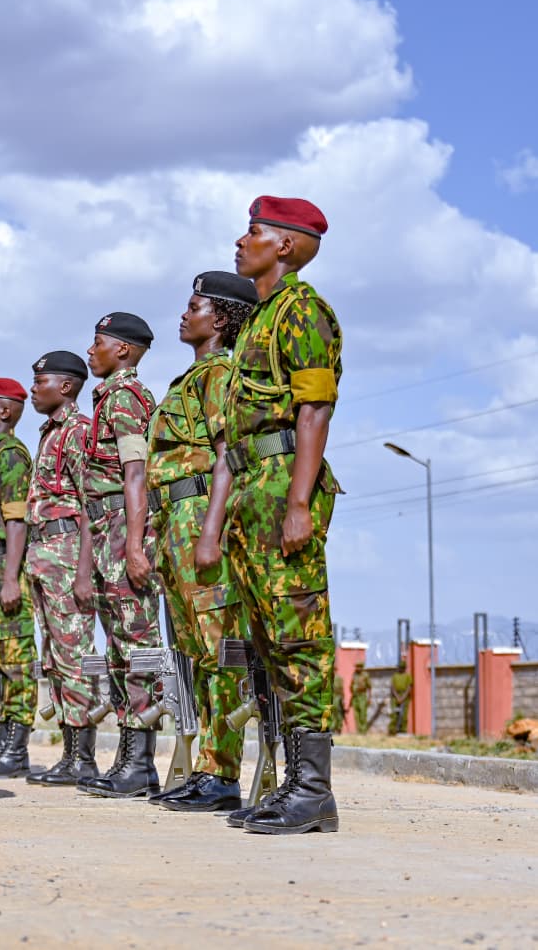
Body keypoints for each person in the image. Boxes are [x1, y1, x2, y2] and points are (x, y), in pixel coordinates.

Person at [218, 195, 343, 834]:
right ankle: (297, 783)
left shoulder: (302, 310)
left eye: (254, 232)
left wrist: (299, 502)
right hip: (250, 483)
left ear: (285, 246)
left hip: (281, 481)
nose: (241, 242)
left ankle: (315, 789)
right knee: (268, 642)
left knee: (299, 634)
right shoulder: (258, 320)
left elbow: (314, 409)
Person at [141, 271, 258, 813]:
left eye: (195, 307)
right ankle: (210, 768)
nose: (184, 315)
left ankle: (224, 774)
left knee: (219, 650)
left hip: (197, 515)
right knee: (195, 652)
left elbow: (226, 455)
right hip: (175, 518)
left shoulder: (221, 375)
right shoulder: (191, 377)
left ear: (222, 318)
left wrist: (211, 533)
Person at [75, 313, 163, 799]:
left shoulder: (126, 398)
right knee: (118, 650)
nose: (91, 351)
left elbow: (136, 474)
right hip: (107, 526)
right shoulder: (109, 397)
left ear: (123, 351)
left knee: (135, 645)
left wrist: (133, 545)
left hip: (121, 530)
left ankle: (139, 763)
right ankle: (128, 759)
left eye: (99, 342)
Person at [21, 352, 100, 788]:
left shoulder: (77, 432)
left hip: (67, 551)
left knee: (72, 652)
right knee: (53, 654)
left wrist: (85, 568)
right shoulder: (49, 433)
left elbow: (90, 505)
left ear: (65, 386)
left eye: (40, 381)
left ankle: (83, 757)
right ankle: (70, 753)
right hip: (44, 551)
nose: (34, 388)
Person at [0, 377, 40, 778]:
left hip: (3, 562)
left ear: (4, 410)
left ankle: (17, 745)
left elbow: (16, 521)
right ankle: (0, 737)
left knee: (16, 656)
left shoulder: (11, 454)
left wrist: (11, 577)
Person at [388, 663, 413, 735]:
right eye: (399, 667)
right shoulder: (395, 676)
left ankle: (403, 730)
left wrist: (403, 697)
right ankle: (392, 730)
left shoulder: (408, 676)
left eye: (402, 667)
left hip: (404, 696)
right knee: (394, 714)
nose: (400, 669)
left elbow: (409, 687)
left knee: (404, 715)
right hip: (395, 697)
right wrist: (397, 697)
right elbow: (392, 687)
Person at [350, 661, 371, 734]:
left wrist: (369, 698)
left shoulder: (365, 675)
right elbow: (351, 685)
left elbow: (369, 687)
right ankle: (359, 731)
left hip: (362, 696)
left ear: (362, 667)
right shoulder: (354, 675)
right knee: (356, 714)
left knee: (363, 714)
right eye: (356, 666)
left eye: (359, 667)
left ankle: (363, 731)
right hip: (355, 696)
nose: (357, 668)